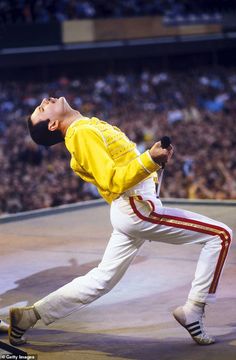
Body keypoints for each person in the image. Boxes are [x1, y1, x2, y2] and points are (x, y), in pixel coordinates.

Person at [9, 97, 232, 346]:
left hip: (130, 208)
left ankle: (29, 317)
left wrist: (153, 160)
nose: (45, 101)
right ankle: (194, 308)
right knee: (221, 235)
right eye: (42, 109)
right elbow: (112, 180)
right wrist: (149, 159)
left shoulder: (84, 128)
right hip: (136, 208)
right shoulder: (81, 133)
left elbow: (120, 168)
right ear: (52, 125)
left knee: (101, 279)